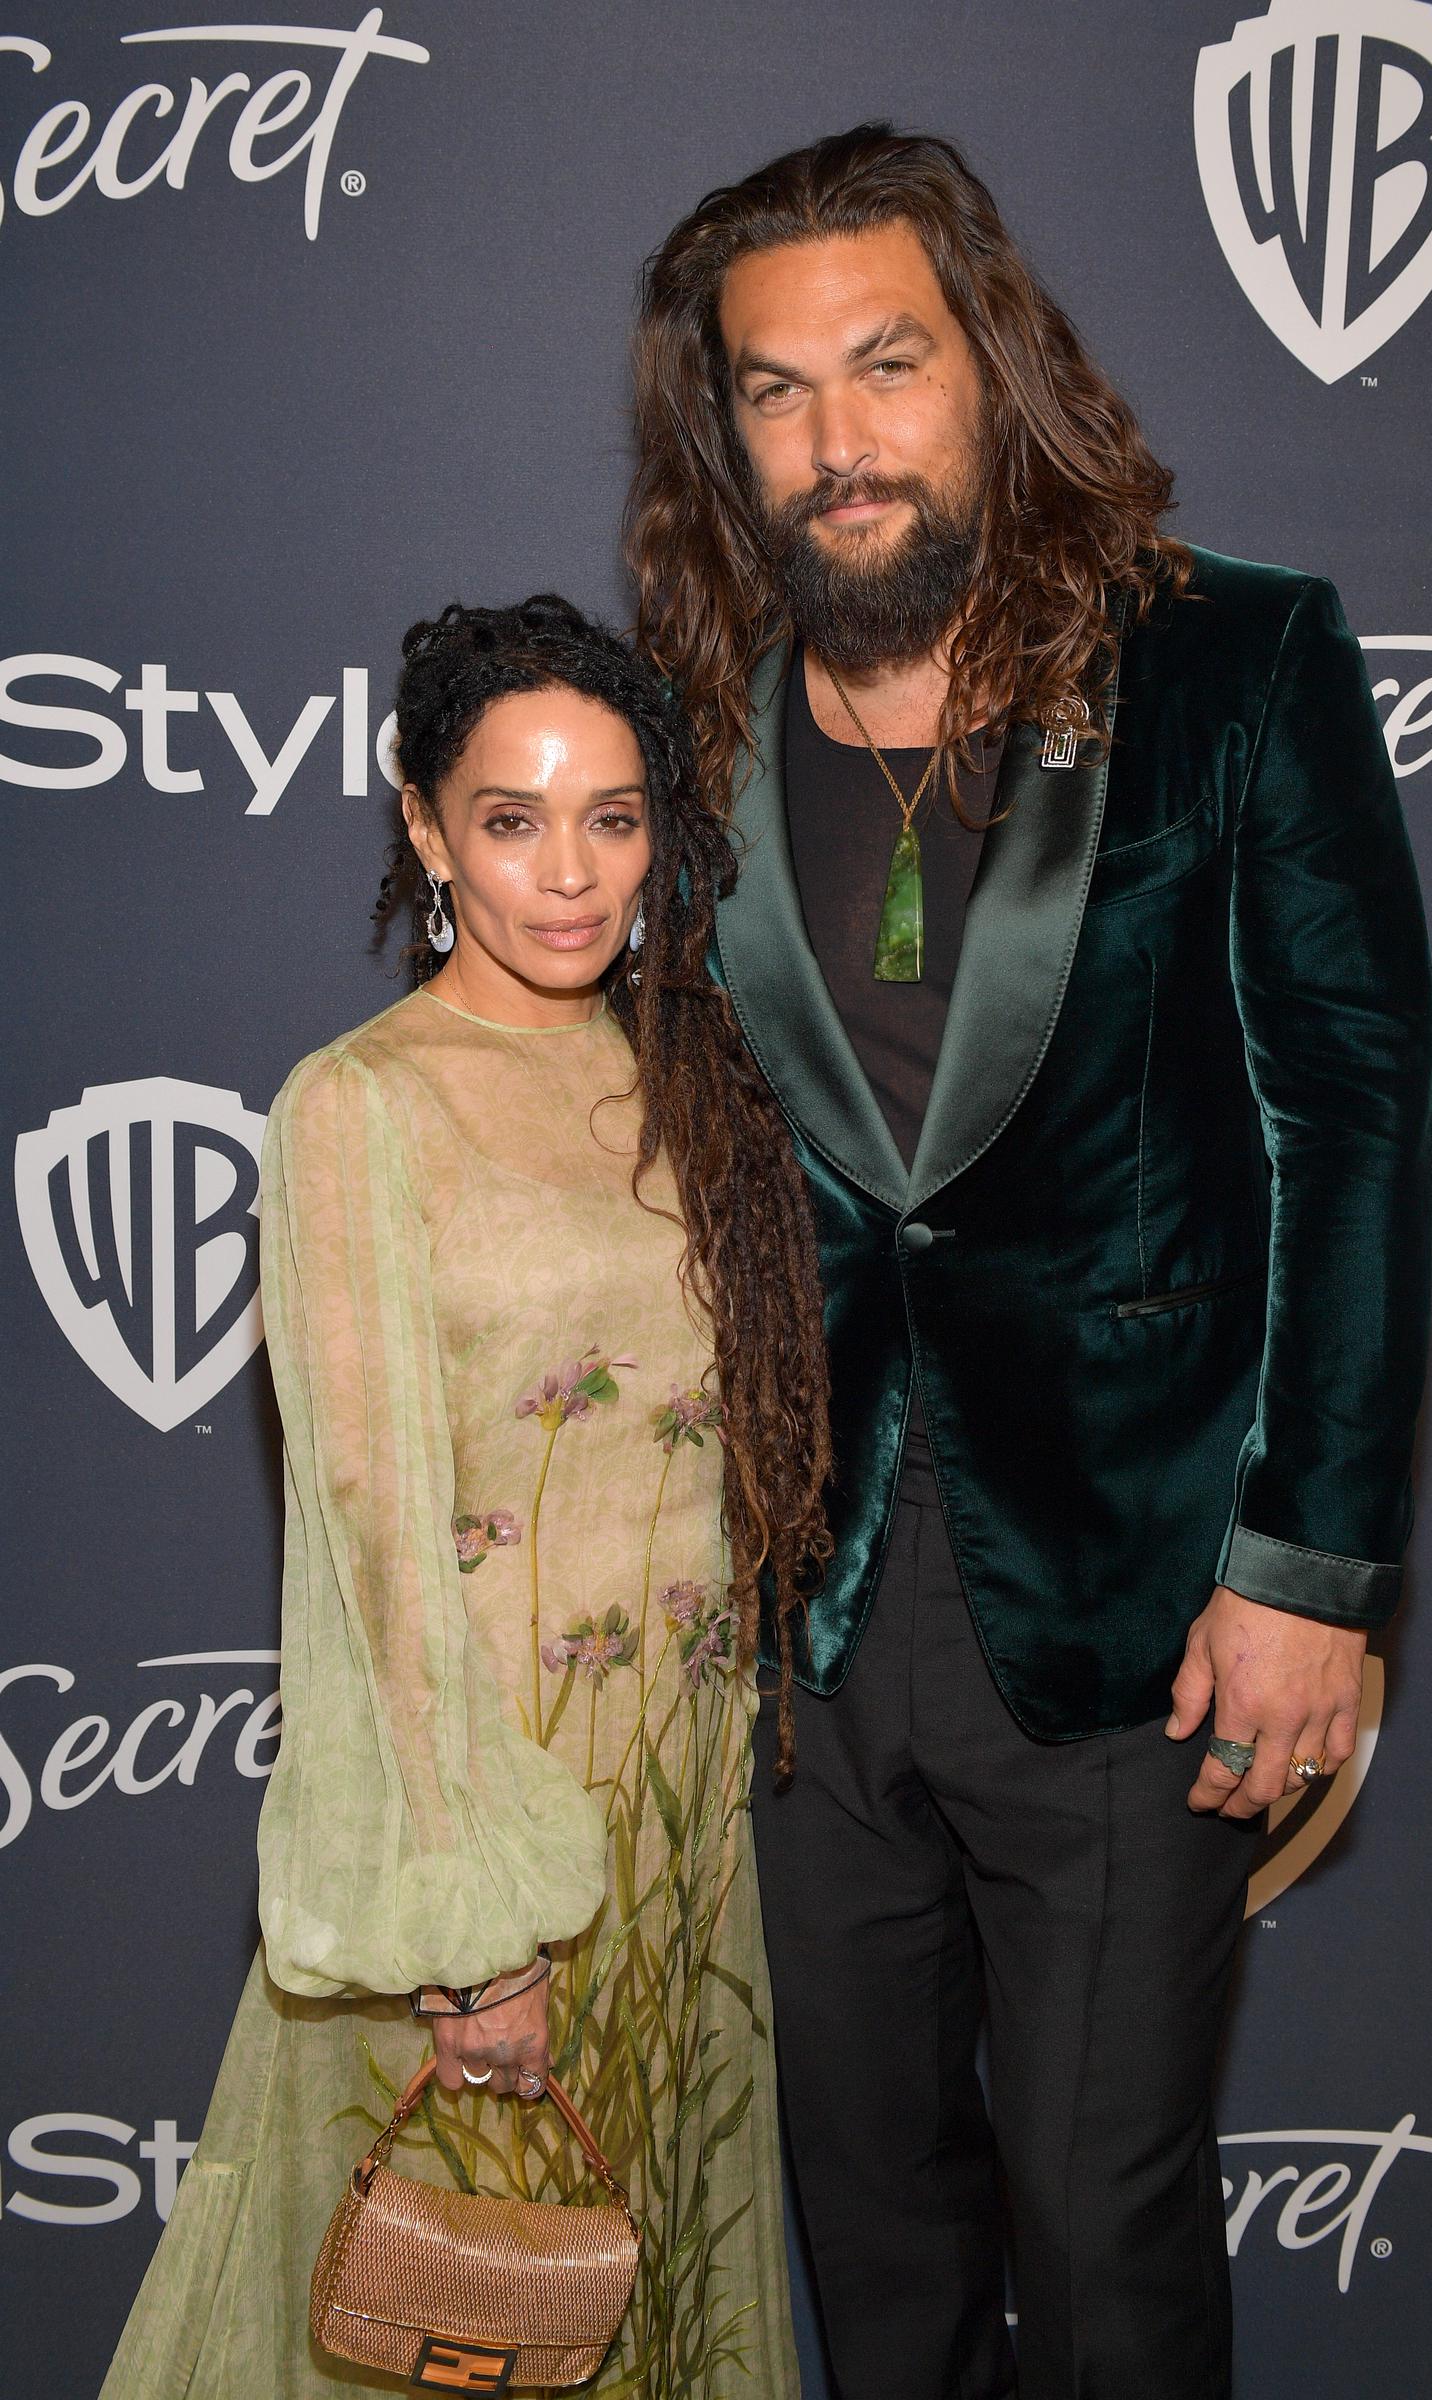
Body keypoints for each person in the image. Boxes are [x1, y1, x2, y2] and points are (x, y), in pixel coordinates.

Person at [626, 126, 1432, 2399]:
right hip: (789, 1619)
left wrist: (1305, 1571)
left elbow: (1349, 1126)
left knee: (1102, 2242)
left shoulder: (1231, 663)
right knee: (871, 2240)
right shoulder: (683, 722)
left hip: (1128, 1613)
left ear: (990, 363)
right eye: (774, 393)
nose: (834, 440)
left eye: (882, 366)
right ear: (724, 433)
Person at [101, 596, 830, 2399]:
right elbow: (371, 1556)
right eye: (510, 819)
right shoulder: (356, 1109)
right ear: (426, 828)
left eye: (612, 817)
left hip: (680, 1832)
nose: (568, 876)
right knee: (469, 2325)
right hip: (486, 1848)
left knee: (636, 2303)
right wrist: (466, 1943)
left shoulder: (702, 1083)